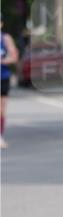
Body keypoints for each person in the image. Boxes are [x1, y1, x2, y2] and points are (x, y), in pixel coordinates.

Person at [1, 14, 19, 148]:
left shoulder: (5, 38)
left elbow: (14, 57)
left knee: (1, 109)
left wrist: (2, 61)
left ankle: (0, 136)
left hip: (3, 77)